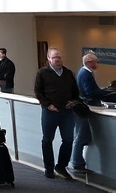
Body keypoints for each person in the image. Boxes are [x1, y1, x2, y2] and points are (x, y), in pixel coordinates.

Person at [34, 47, 79, 180]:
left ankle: (61, 166)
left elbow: (75, 92)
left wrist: (73, 101)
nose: (58, 60)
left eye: (60, 57)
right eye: (55, 58)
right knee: (47, 139)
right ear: (49, 59)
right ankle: (49, 168)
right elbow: (38, 91)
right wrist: (47, 105)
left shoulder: (68, 73)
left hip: (67, 111)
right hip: (50, 111)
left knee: (68, 139)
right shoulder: (43, 72)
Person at [71, 52, 116, 175]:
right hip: (85, 107)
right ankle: (77, 163)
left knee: (83, 136)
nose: (96, 64)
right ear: (88, 63)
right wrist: (110, 95)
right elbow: (90, 92)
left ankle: (78, 162)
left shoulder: (85, 72)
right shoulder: (85, 74)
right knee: (81, 136)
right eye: (95, 62)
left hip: (85, 106)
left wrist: (103, 92)